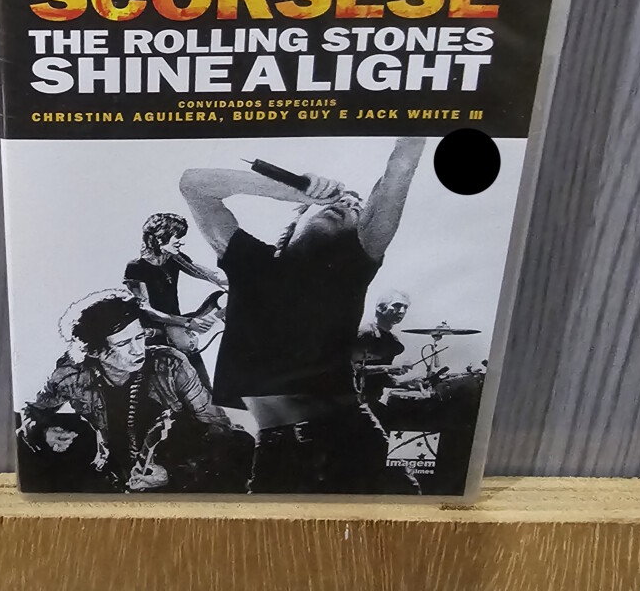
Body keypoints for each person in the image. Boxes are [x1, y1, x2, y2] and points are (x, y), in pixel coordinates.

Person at [179, 137, 424, 494]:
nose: (347, 201)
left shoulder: (356, 262)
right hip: (276, 442)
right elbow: (193, 184)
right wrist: (292, 191)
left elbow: (399, 168)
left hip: (349, 433)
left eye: (356, 206)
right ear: (296, 220)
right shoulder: (251, 263)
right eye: (338, 199)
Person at [20, 288, 252, 493]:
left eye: (139, 337)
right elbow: (31, 411)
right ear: (94, 352)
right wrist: (43, 431)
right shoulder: (71, 373)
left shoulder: (171, 364)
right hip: (114, 473)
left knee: (242, 445)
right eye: (123, 344)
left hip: (176, 464)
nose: (137, 349)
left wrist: (176, 473)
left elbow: (219, 429)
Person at [123, 213, 227, 390]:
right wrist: (187, 322)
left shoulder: (175, 258)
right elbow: (147, 310)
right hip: (156, 337)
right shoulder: (136, 267)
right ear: (159, 238)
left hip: (181, 332)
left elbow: (212, 275)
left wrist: (243, 278)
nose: (181, 242)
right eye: (177, 237)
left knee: (203, 388)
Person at [354, 290, 414, 412]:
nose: (402, 311)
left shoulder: (392, 341)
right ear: (380, 308)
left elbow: (380, 378)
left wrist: (405, 383)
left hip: (372, 400)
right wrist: (388, 368)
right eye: (397, 305)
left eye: (405, 307)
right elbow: (353, 369)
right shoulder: (365, 334)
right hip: (354, 401)